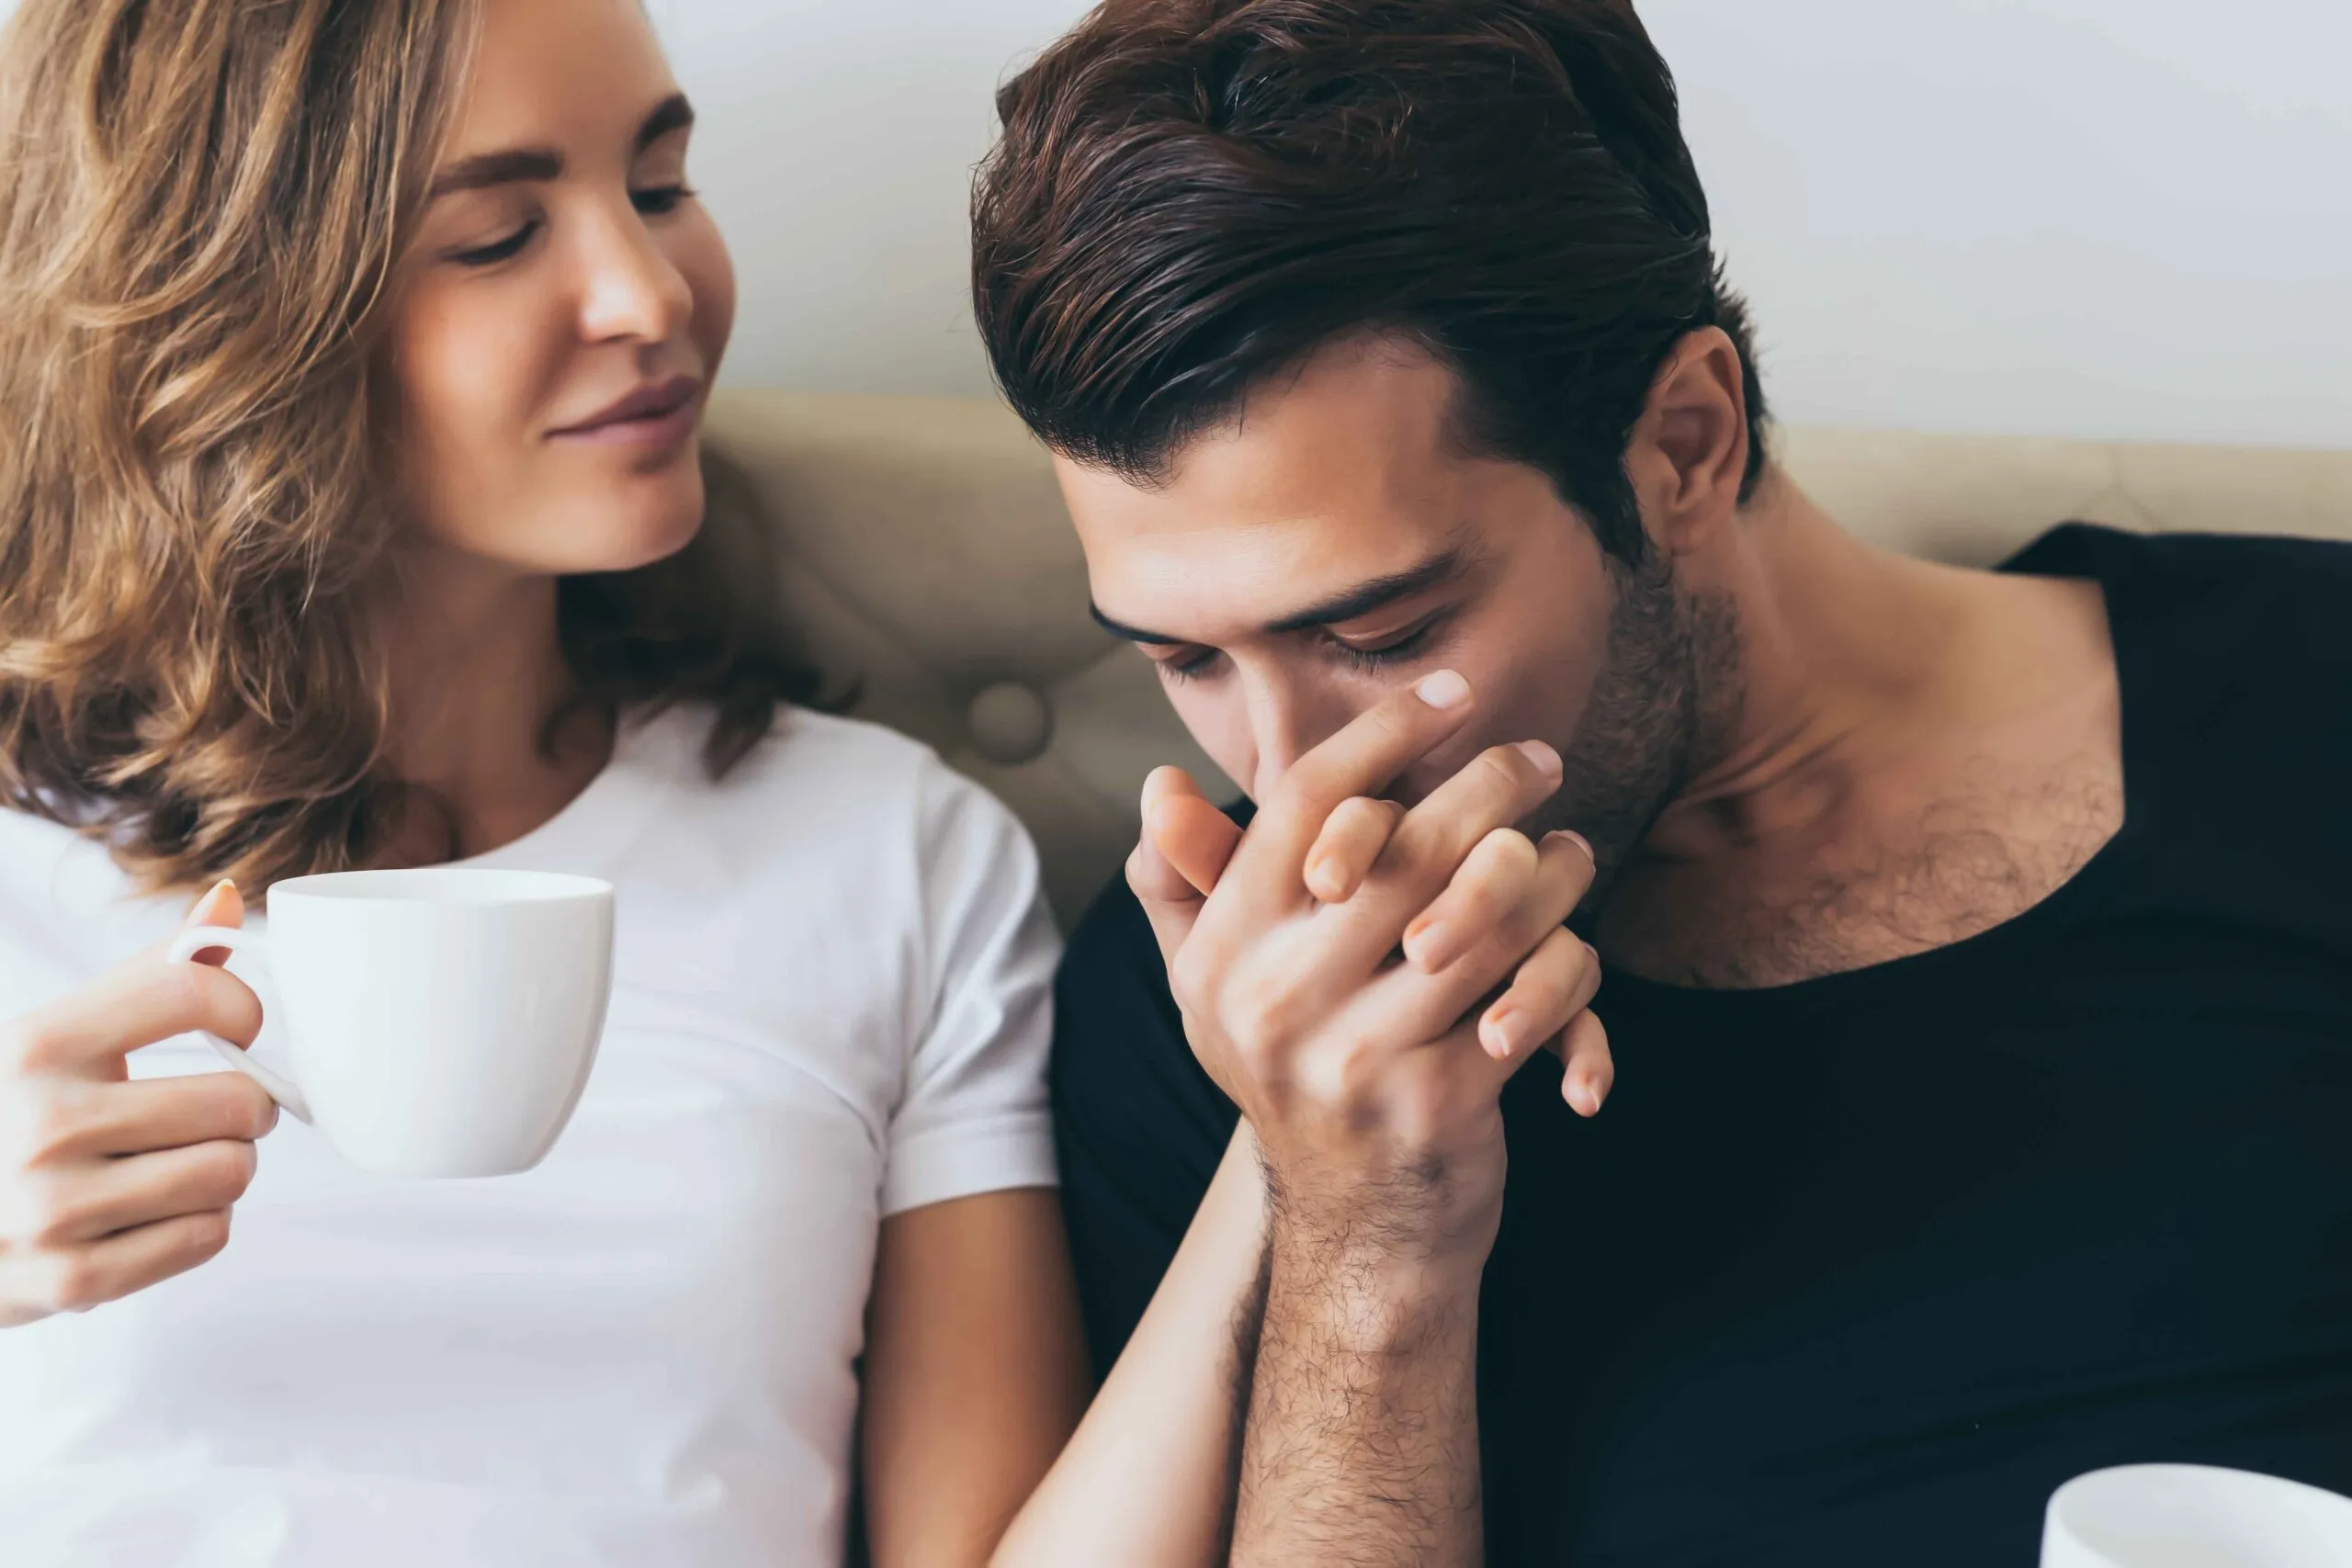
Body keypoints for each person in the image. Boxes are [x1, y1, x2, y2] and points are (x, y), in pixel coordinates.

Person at [968, 2, 2352, 1565]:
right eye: (1183, 659)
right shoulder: (1220, 1016)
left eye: (1379, 631)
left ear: (1684, 444)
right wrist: (1357, 1226)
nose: (1292, 788)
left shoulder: (2309, 701)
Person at [0, 1, 1086, 1562]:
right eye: (501, 235)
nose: (650, 295)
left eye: (659, 187)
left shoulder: (891, 857)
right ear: (233, 312)